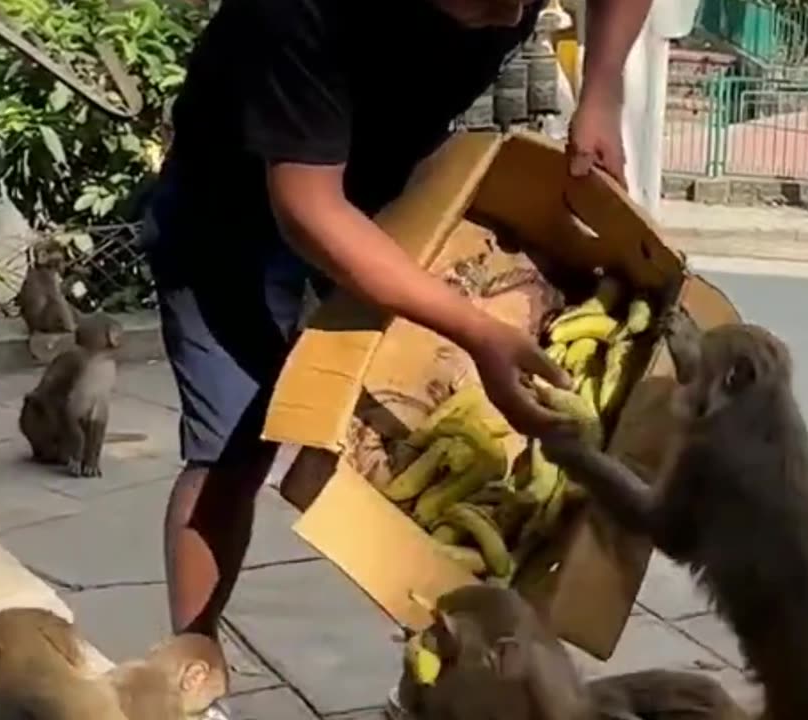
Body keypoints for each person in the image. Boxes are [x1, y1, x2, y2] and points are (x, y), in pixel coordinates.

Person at [140, 0, 651, 683]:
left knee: (421, 406)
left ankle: (458, 666)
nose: (506, 18)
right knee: (234, 441)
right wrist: (470, 329)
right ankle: (190, 662)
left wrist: (602, 89)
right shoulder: (298, 13)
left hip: (387, 167)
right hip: (236, 195)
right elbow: (309, 209)